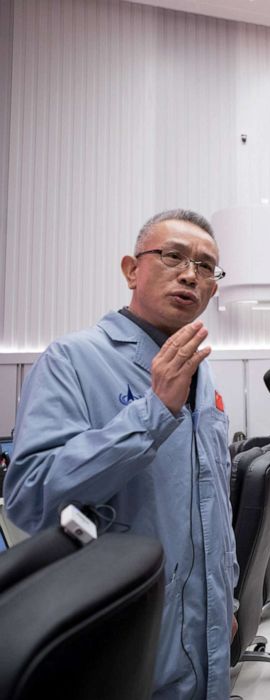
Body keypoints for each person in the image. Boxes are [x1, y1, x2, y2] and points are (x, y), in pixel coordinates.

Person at [5, 209, 236, 699]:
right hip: (125, 632)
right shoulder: (73, 359)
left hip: (207, 630)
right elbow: (29, 498)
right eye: (173, 256)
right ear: (132, 269)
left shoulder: (201, 373)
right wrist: (152, 413)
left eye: (206, 266)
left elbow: (213, 503)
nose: (190, 274)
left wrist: (226, 600)